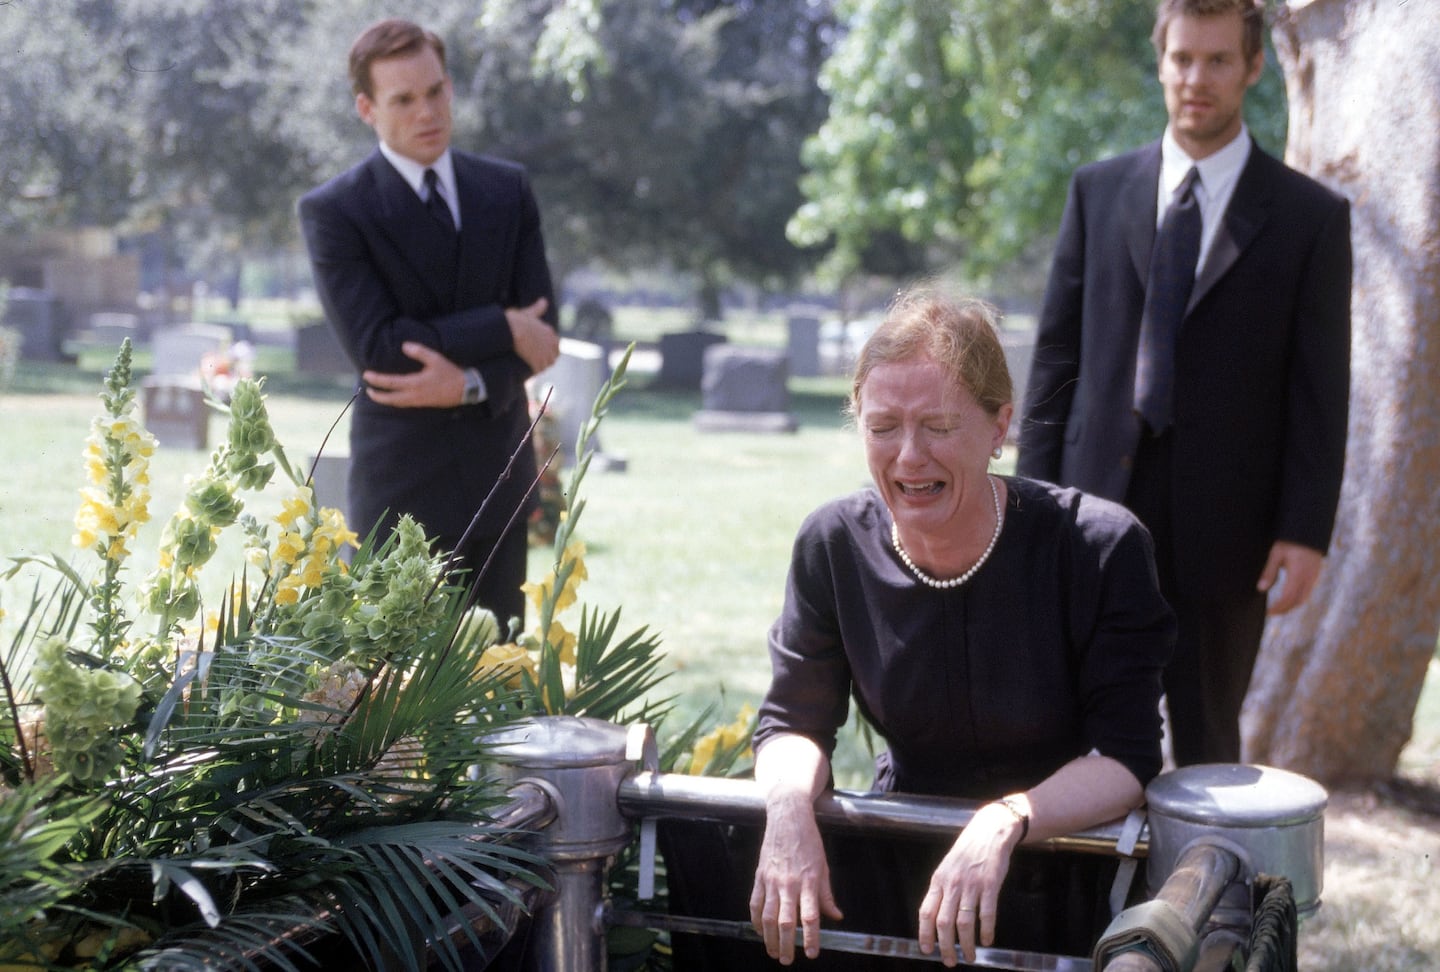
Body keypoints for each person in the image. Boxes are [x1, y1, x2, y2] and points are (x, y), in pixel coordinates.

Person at [744, 291, 1175, 968]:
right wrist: (790, 813)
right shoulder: (832, 543)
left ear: (999, 426)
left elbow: (1127, 759)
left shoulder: (1099, 547)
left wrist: (1002, 820)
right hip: (903, 865)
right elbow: (793, 721)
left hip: (1069, 872)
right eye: (883, 427)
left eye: (939, 427)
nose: (909, 456)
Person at [1016, 0, 1351, 766]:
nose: (1196, 79)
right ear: (1161, 61)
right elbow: (1055, 361)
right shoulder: (1096, 193)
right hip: (1088, 513)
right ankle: (1075, 886)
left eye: (1218, 61)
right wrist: (1030, 502)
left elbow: (1319, 390)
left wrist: (1305, 529)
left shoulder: (1311, 218)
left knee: (1205, 746)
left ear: (1254, 67)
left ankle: (1203, 885)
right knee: (1065, 731)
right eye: (1182, 59)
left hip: (1228, 532)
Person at [298, 18, 560, 627]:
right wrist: (500, 323)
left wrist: (467, 382)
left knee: (500, 683)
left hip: (499, 476)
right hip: (401, 490)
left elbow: (542, 336)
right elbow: (383, 350)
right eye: (404, 99)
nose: (428, 112)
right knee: (392, 699)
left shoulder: (507, 190)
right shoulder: (337, 211)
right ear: (367, 108)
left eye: (436, 91)